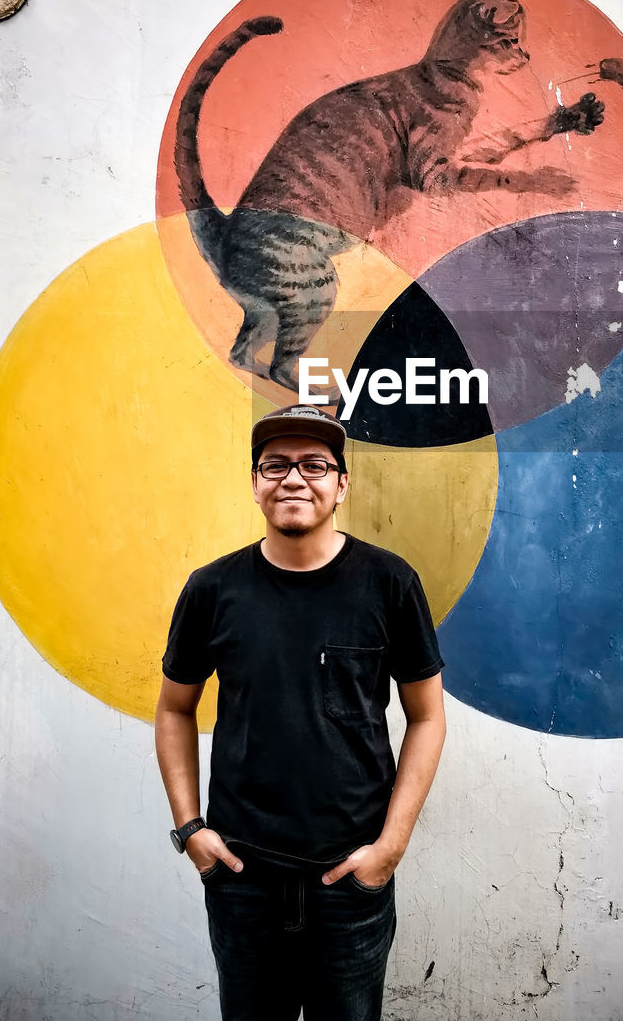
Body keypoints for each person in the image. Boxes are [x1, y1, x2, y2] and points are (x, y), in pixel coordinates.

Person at [155, 403, 446, 1021]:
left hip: (350, 878)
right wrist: (191, 831)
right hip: (241, 876)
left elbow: (427, 717)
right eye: (276, 465)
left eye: (315, 465)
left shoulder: (389, 583)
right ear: (255, 483)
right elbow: (175, 708)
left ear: (342, 485)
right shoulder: (212, 590)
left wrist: (389, 849)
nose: (294, 478)